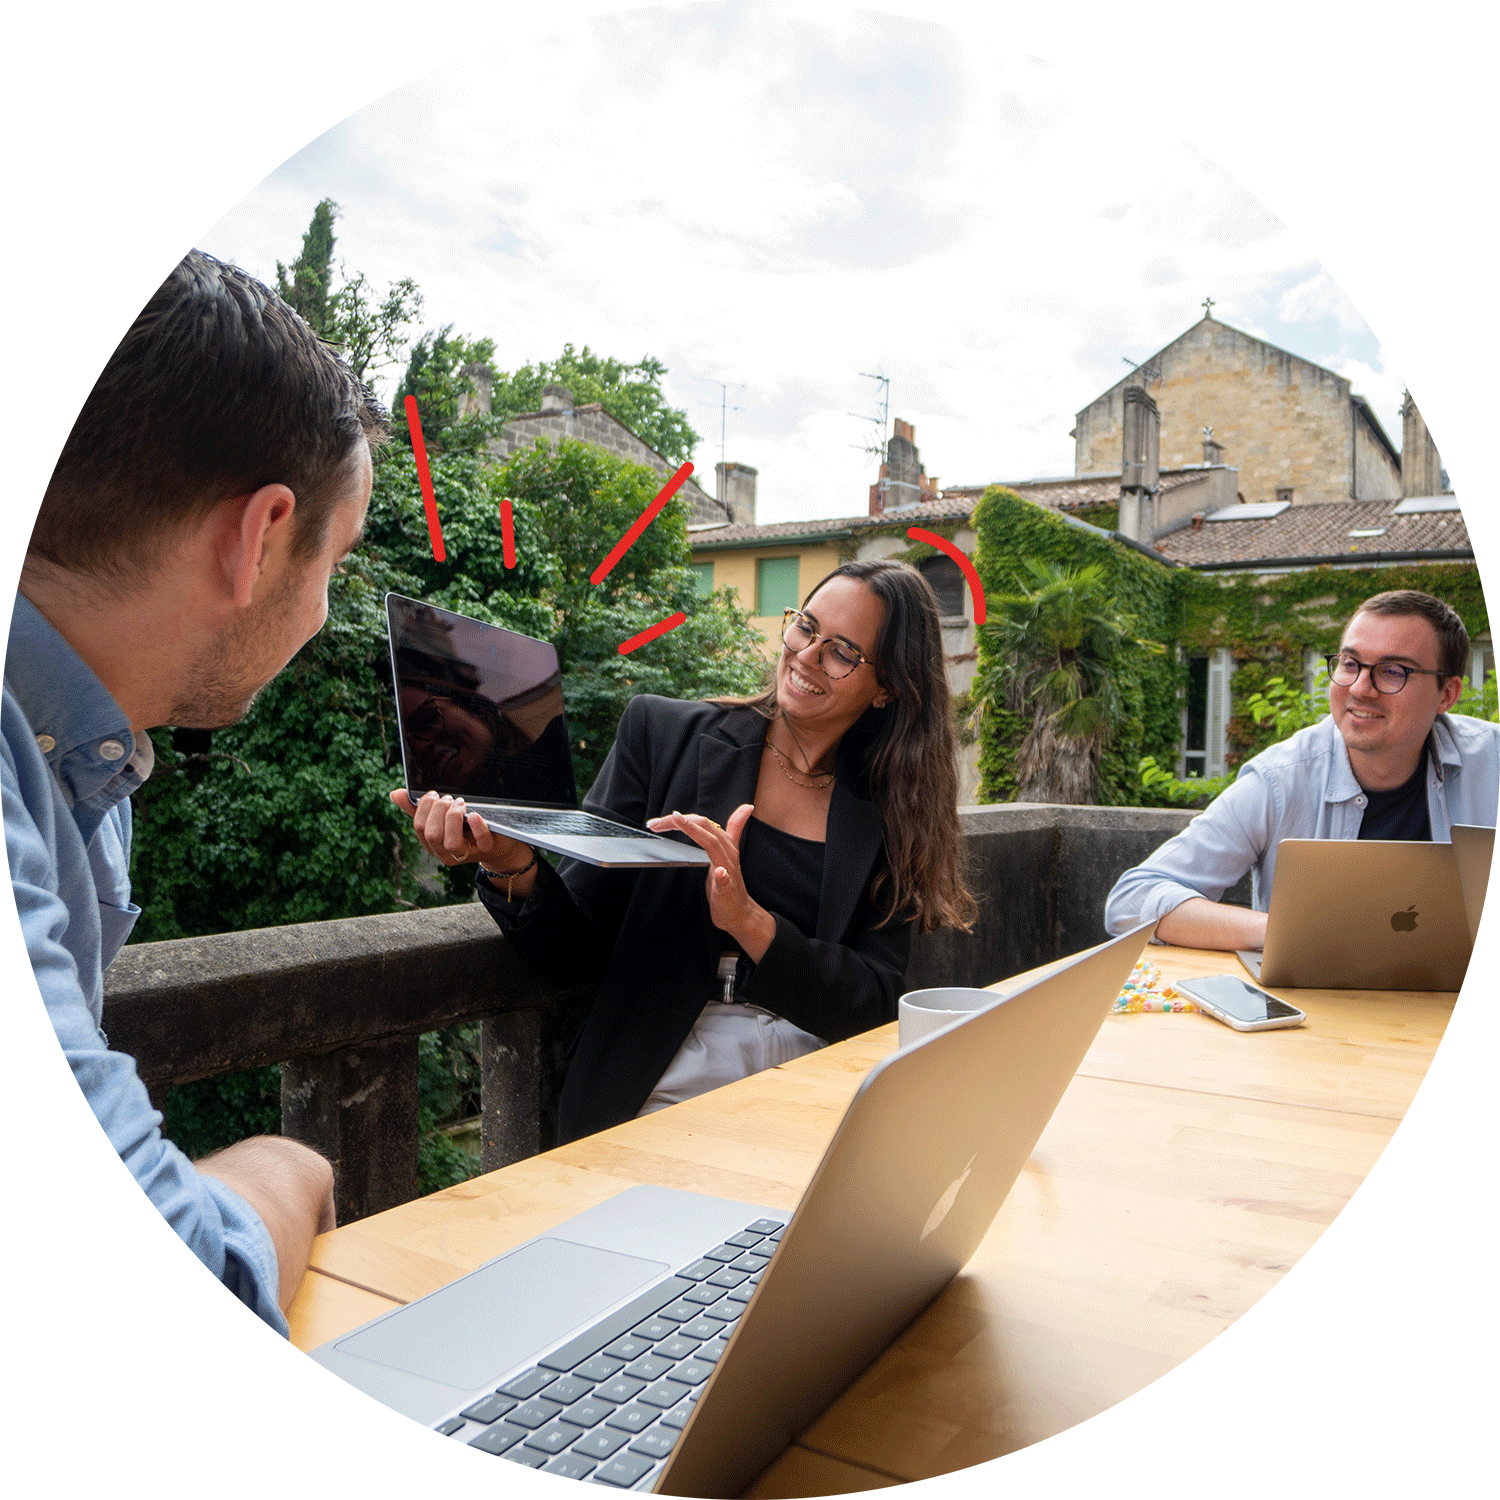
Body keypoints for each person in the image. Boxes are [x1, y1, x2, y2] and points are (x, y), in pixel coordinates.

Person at [4, 249, 384, 1332]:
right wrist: (289, 1165)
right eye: (336, 561)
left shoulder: (79, 760)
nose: (321, 614)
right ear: (259, 538)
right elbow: (175, 1284)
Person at [395, 559, 978, 1141]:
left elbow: (875, 1000)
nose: (806, 655)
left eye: (843, 651)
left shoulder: (893, 806)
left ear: (888, 689)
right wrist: (508, 864)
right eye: (805, 626)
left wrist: (751, 924)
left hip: (819, 1077)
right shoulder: (664, 737)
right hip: (662, 1074)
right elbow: (574, 947)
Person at [1105, 589, 1500, 949]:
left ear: (1447, 694)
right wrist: (1286, 932)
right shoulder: (1281, 779)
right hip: (1315, 1012)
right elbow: (1134, 899)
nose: (1360, 688)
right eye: (1350, 663)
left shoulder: (1491, 760)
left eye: (1393, 670)